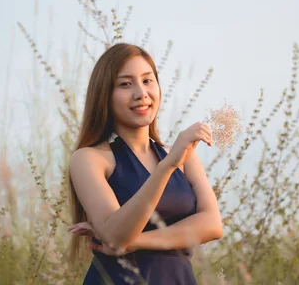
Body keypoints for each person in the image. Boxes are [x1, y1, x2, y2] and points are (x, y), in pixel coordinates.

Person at [67, 43, 224, 284]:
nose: (141, 93)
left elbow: (212, 225)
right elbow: (115, 235)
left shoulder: (184, 155)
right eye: (125, 84)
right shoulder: (89, 159)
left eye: (148, 81)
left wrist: (136, 242)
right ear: (105, 95)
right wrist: (167, 166)